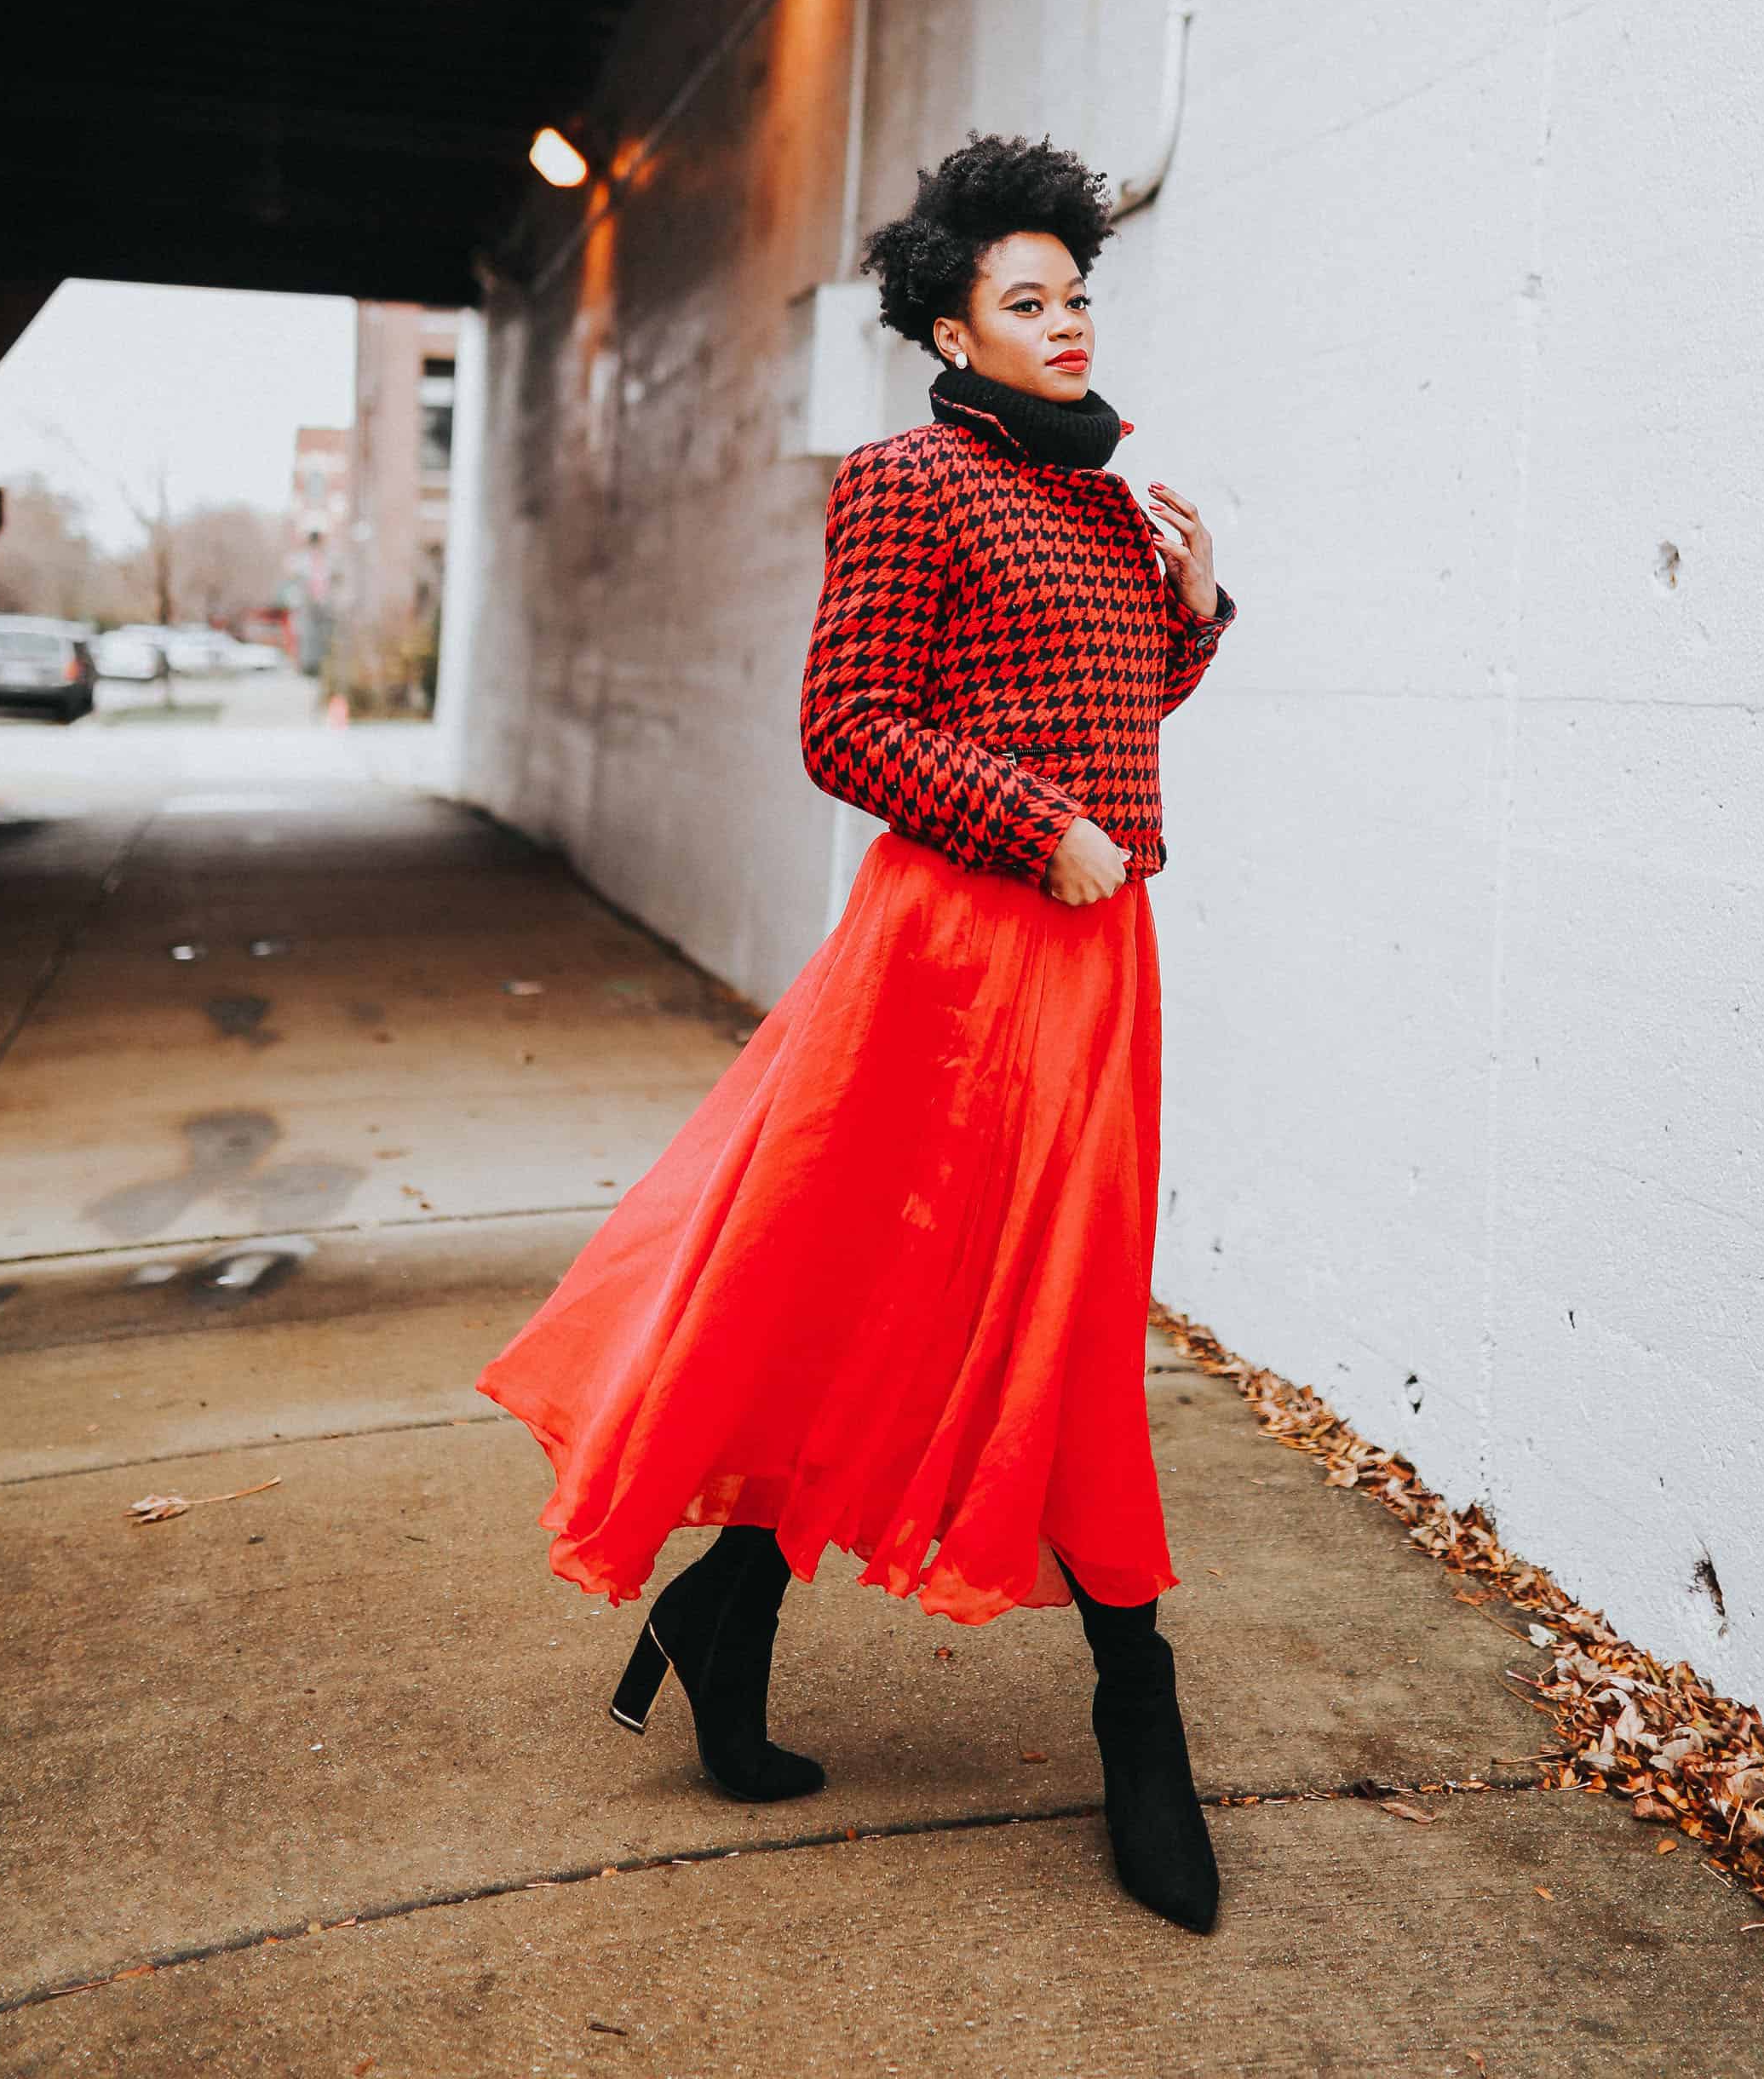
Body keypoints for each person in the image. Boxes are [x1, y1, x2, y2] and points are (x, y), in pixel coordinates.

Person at [477, 131, 1237, 1932]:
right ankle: (1142, 1717)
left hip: (1096, 957)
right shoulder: (911, 480)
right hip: (959, 960)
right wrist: (1032, 826)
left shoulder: (1107, 497)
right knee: (903, 1291)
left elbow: (1114, 704)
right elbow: (847, 726)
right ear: (952, 328)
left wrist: (1195, 615)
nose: (1069, 325)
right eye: (1028, 300)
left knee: (1019, 1305)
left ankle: (728, 1608)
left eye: (1080, 296)